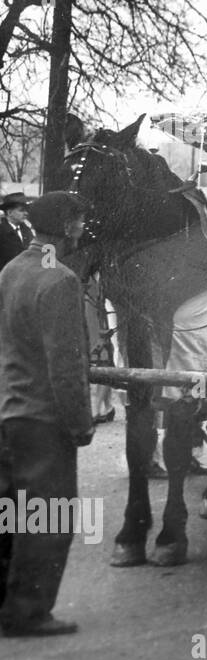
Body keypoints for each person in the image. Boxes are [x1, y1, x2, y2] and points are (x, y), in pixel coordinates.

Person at [0, 192, 93, 637]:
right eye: (79, 221)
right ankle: (29, 612)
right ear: (68, 226)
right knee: (48, 518)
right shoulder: (61, 280)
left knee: (9, 515)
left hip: (8, 412)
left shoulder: (11, 271)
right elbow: (66, 365)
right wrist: (80, 424)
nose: (81, 229)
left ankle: (7, 604)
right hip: (43, 418)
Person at [0, 192, 33, 271]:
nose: (26, 213)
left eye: (26, 210)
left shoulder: (27, 231)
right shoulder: (1, 232)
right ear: (9, 213)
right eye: (21, 210)